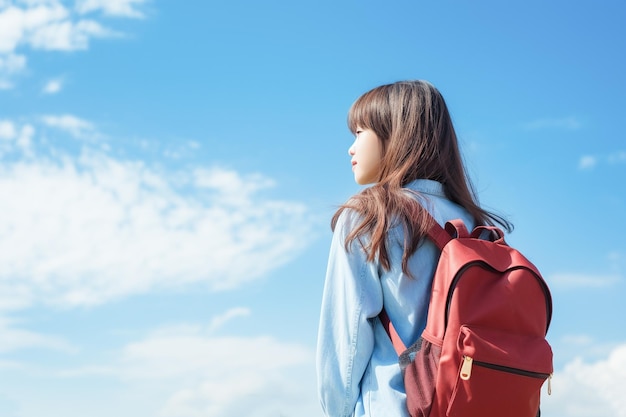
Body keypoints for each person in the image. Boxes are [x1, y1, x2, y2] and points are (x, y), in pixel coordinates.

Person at [316, 80, 512, 417]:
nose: (351, 148)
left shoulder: (366, 217)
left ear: (395, 132)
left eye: (360, 132)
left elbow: (343, 351)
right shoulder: (478, 226)